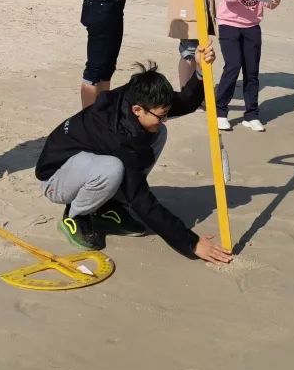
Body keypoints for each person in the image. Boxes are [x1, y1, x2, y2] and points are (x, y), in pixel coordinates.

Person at [34, 46, 233, 265]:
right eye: (161, 115)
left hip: (85, 166)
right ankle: (76, 215)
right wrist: (191, 243)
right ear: (138, 110)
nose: (165, 118)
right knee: (112, 169)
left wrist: (200, 71)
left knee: (158, 133)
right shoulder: (119, 135)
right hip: (55, 180)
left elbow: (184, 102)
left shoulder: (140, 96)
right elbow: (141, 199)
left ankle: (108, 204)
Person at [215, 0, 282, 133]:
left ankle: (251, 114)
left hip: (252, 26)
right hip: (229, 23)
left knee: (252, 72)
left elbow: (264, 3)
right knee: (233, 67)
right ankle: (220, 112)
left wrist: (273, 2)